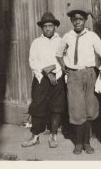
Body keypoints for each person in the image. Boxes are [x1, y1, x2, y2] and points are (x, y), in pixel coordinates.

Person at [56, 8, 101, 155]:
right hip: (73, 75)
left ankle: (87, 142)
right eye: (75, 19)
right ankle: (78, 142)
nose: (77, 21)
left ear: (85, 20)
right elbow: (59, 54)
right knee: (76, 108)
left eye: (81, 19)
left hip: (90, 73)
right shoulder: (67, 37)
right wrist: (64, 67)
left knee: (89, 108)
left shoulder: (92, 36)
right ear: (71, 21)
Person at [21, 12, 66, 148]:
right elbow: (32, 61)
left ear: (55, 27)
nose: (47, 28)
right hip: (41, 79)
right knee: (38, 106)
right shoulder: (36, 42)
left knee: (56, 107)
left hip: (57, 77)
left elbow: (63, 60)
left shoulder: (61, 41)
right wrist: (46, 72)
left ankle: (53, 135)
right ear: (42, 27)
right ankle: (35, 136)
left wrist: (54, 70)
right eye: (45, 26)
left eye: (50, 25)